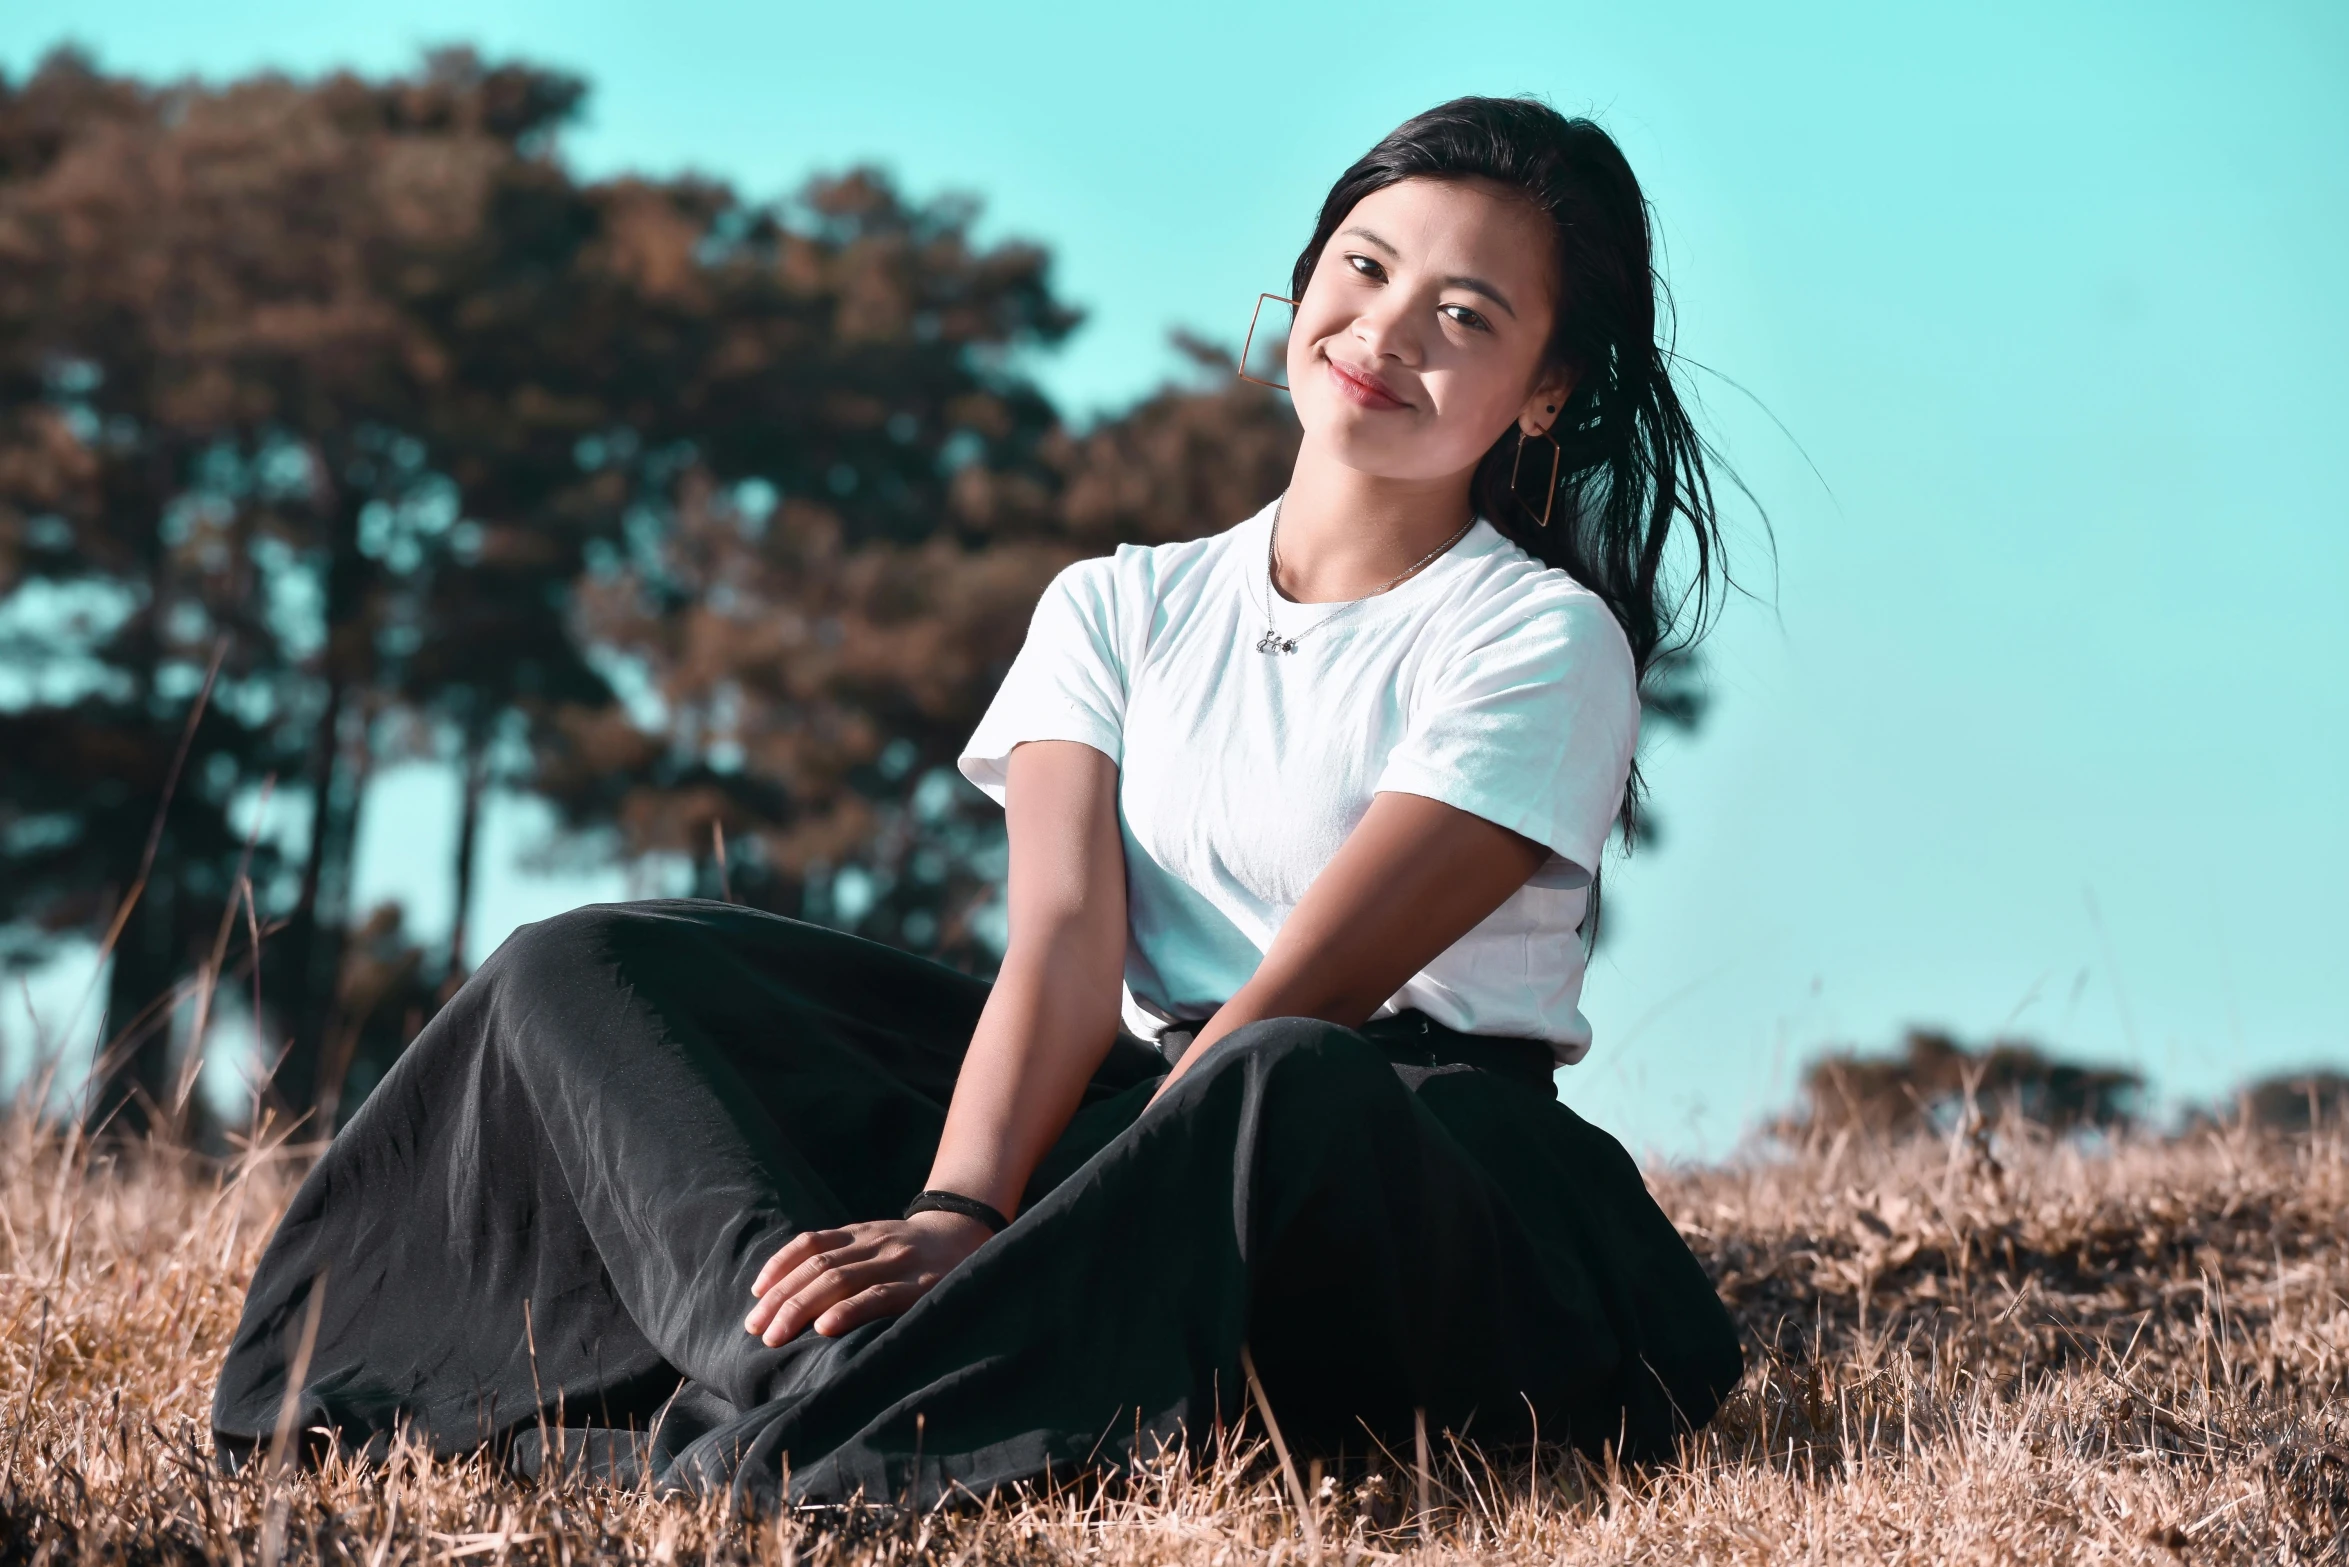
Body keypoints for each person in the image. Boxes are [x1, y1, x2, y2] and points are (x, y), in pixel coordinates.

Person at [213, 95, 1744, 1507]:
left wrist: (1012, 1219)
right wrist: (953, 1208)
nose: (1383, 329)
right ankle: (794, 1358)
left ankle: (837, 1417)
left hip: (1392, 1175)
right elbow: (1065, 949)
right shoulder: (1115, 604)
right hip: (1140, 1102)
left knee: (1271, 1077)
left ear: (1544, 391)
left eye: (1462, 315)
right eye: (1365, 265)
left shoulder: (1539, 639)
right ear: (1302, 272)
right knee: (583, 966)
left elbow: (1306, 994)